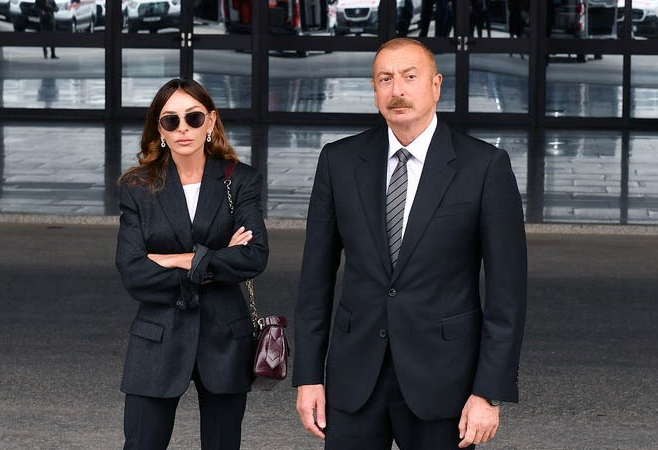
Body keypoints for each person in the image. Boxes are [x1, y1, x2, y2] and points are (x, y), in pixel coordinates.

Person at [293, 38, 527, 449]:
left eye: (410, 77)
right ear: (374, 90)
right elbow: (315, 280)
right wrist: (309, 376)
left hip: (444, 380)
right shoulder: (339, 161)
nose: (397, 90)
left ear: (436, 86)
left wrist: (488, 391)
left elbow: (507, 294)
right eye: (385, 79)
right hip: (354, 376)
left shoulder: (483, 167)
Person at [116, 78, 268, 450]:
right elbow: (133, 271)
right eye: (171, 120)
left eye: (193, 117)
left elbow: (253, 256)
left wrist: (172, 259)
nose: (183, 128)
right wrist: (215, 257)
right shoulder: (137, 186)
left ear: (210, 121)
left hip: (225, 338)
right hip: (158, 335)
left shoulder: (240, 179)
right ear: (159, 129)